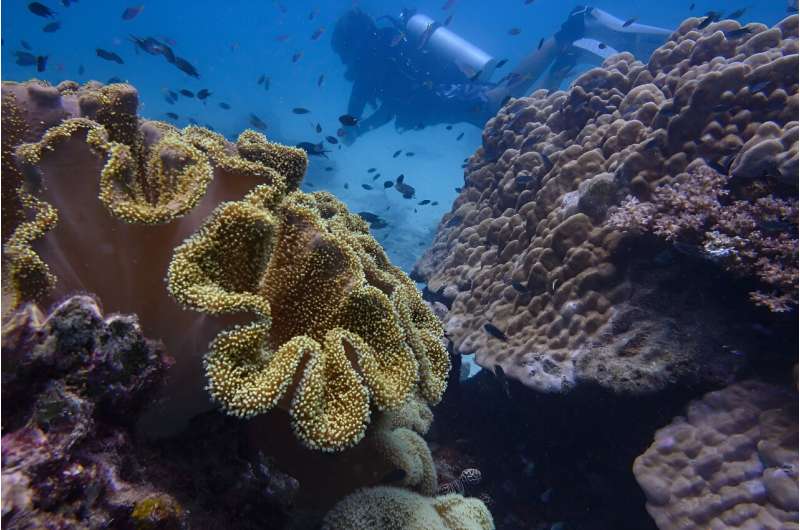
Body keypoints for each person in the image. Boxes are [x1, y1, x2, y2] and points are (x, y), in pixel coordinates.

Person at [331, 6, 671, 144]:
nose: (345, 58)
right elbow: (390, 108)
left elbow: (359, 104)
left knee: (505, 104)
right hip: (447, 94)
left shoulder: (368, 62)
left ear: (350, 43)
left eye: (343, 50)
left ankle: (570, 31)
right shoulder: (387, 47)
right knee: (515, 114)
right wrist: (362, 130)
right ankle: (565, 55)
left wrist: (352, 128)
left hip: (444, 96)